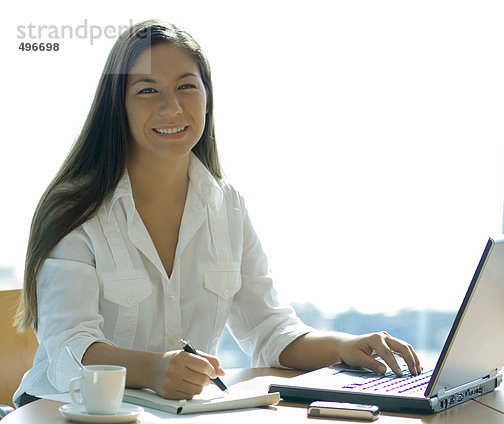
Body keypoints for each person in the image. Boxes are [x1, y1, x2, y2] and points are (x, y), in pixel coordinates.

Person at [13, 19, 421, 407]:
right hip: (62, 411)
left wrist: (343, 348)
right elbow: (69, 348)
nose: (172, 108)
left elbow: (268, 329)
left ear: (208, 99)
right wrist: (155, 369)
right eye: (147, 91)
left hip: (171, 414)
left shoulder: (227, 206)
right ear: (116, 106)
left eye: (186, 87)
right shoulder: (76, 208)